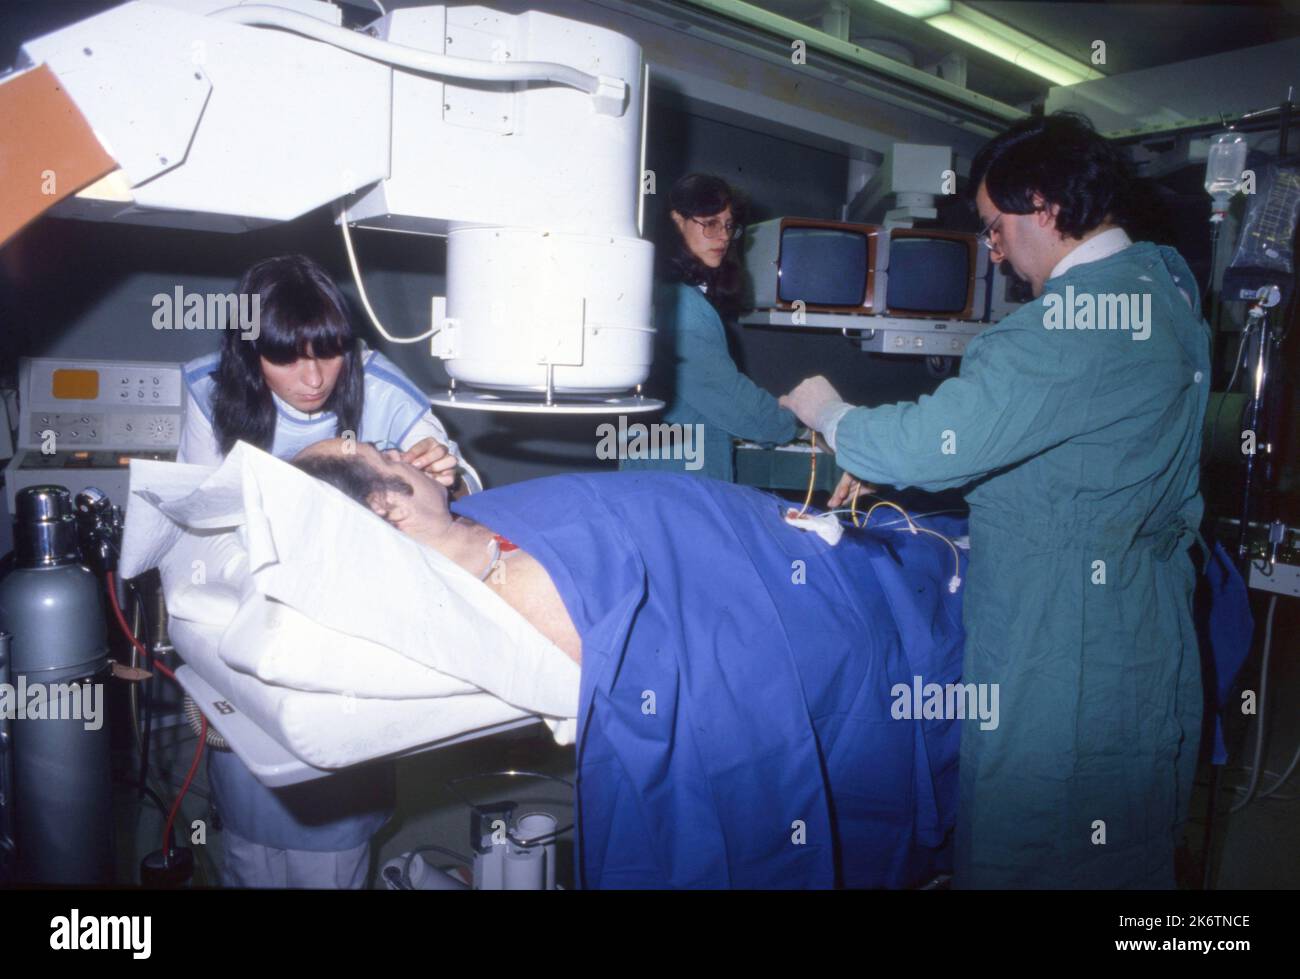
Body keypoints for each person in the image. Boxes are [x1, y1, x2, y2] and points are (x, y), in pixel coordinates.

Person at [780, 111, 1210, 889]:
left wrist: (825, 409)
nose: (994, 248)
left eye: (996, 226)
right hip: (1148, 635)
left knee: (1033, 849)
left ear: (1043, 205)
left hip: (1060, 655)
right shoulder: (1167, 286)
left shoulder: (1062, 328)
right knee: (1129, 849)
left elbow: (918, 442)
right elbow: (1081, 440)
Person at [292, 437, 968, 888]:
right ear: (386, 508)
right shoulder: (528, 596)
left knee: (909, 554)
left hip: (783, 537)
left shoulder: (466, 526)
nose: (400, 448)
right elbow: (705, 670)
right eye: (385, 456)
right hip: (826, 613)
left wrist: (445, 489)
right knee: (909, 615)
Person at [176, 253, 479, 888]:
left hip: (350, 632)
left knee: (333, 849)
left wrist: (446, 468)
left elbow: (456, 482)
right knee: (250, 847)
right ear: (248, 353)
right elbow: (195, 521)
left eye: (329, 350)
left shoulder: (380, 385)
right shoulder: (209, 390)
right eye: (286, 357)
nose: (314, 378)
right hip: (249, 618)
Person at [620, 174, 797, 481]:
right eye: (710, 223)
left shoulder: (664, 293)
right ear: (677, 222)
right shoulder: (681, 307)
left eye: (728, 225)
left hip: (660, 470)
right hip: (679, 481)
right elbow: (734, 401)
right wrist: (802, 421)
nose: (723, 236)